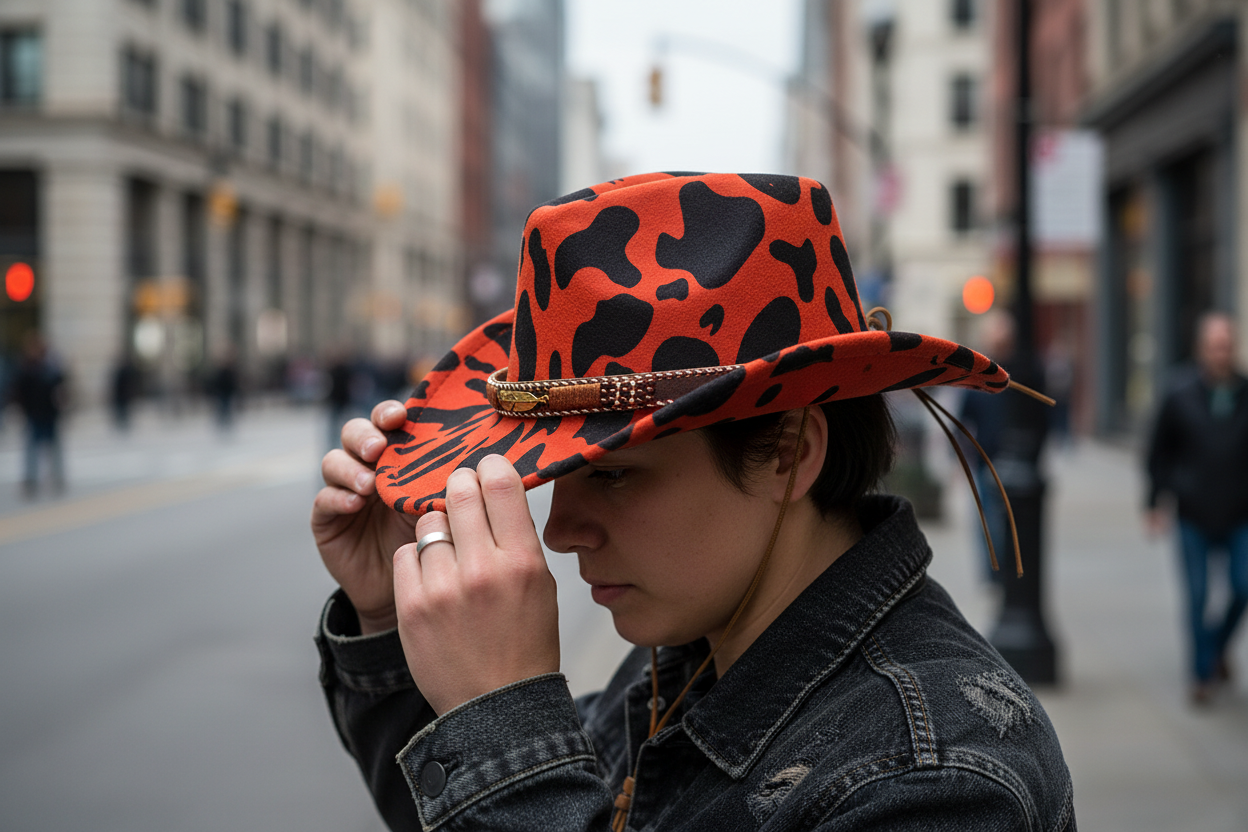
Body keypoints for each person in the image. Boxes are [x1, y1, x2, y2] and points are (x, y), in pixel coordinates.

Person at [312, 173, 1074, 830]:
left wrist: (509, 725)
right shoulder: (700, 652)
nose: (563, 530)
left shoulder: (931, 783)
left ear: (790, 452)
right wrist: (384, 620)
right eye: (552, 475)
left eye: (613, 473)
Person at [1146, 311, 1248, 705]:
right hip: (1193, 512)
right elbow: (1159, 451)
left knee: (1243, 585)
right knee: (1198, 595)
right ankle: (1201, 674)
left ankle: (1218, 647)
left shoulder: (1244, 392)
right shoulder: (1179, 392)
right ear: (1201, 349)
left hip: (1240, 512)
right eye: (1214, 346)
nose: (1220, 353)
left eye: (1226, 346)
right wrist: (1155, 500)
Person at [11, 333, 67, 497]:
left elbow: (60, 385)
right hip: (34, 414)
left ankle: (57, 476)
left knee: (54, 448)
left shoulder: (51, 366)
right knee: (32, 449)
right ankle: (31, 479)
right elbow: (19, 390)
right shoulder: (26, 367)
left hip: (49, 414)